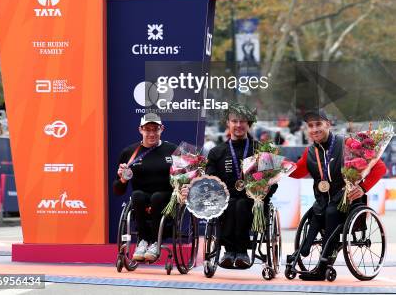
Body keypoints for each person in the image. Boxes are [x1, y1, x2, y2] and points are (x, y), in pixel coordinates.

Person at [290, 110, 387, 281]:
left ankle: (323, 265)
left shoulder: (349, 144)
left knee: (331, 212)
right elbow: (297, 171)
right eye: (310, 126)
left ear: (328, 124)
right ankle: (302, 250)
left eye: (318, 124)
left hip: (347, 201)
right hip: (323, 202)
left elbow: (380, 168)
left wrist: (363, 188)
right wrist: (273, 167)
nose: (314, 129)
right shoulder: (310, 152)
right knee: (317, 211)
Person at [184, 103, 277, 269]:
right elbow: (209, 182)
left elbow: (272, 182)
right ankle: (229, 251)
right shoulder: (216, 152)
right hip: (224, 202)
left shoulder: (261, 150)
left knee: (240, 204)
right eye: (234, 121)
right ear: (228, 123)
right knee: (231, 204)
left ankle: (241, 252)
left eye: (242, 121)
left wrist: (263, 192)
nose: (239, 125)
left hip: (253, 203)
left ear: (249, 123)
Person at [113, 113, 177, 262]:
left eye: (155, 129)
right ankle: (142, 241)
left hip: (166, 197)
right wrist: (122, 179)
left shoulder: (173, 150)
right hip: (141, 198)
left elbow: (184, 177)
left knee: (157, 197)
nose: (152, 133)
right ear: (140, 130)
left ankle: (155, 242)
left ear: (162, 129)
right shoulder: (129, 153)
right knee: (136, 195)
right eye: (147, 129)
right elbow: (118, 190)